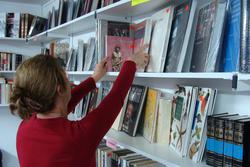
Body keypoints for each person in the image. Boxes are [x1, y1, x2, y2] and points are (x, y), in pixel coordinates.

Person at [9, 45, 149, 167]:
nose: (67, 76)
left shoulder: (25, 127)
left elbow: (62, 103)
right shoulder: (76, 137)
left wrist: (94, 79)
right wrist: (131, 62)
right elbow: (115, 97)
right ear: (59, 89)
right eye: (64, 73)